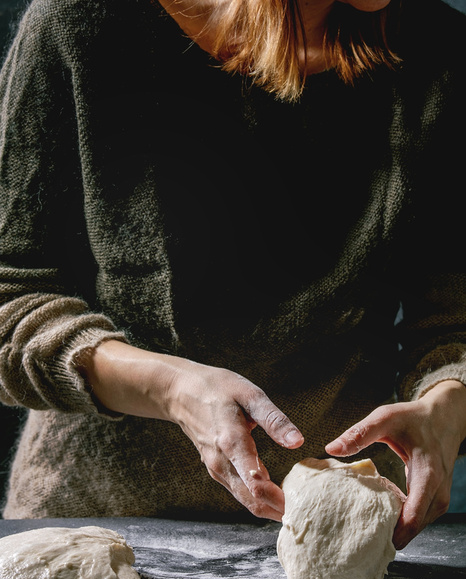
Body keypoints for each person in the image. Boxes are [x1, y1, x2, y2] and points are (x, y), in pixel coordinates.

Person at [0, 0, 465, 550]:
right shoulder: (84, 22)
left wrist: (448, 402)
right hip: (98, 527)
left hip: (339, 534)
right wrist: (173, 389)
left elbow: (452, 317)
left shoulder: (439, 51)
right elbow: (11, 300)